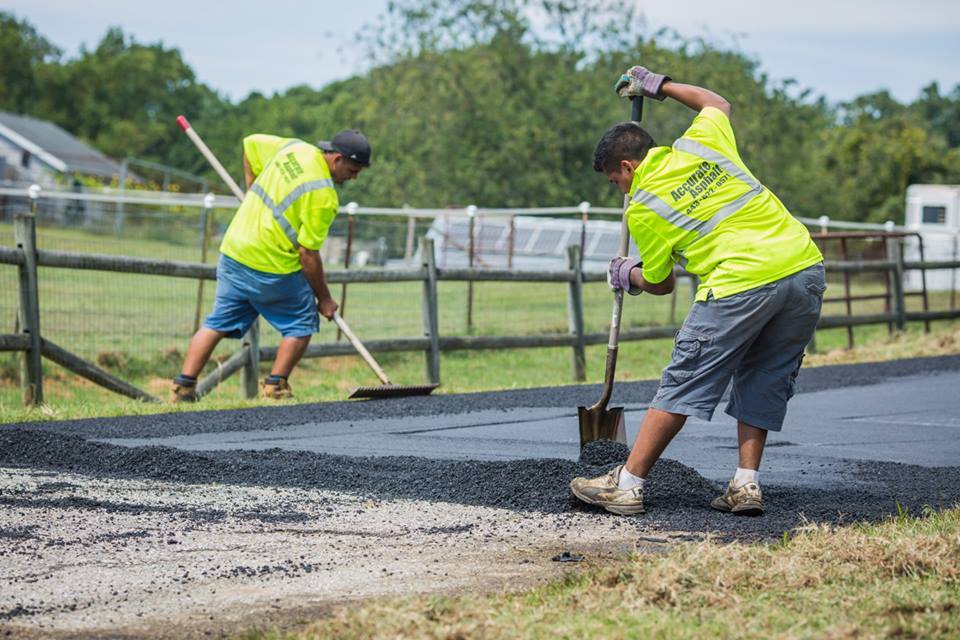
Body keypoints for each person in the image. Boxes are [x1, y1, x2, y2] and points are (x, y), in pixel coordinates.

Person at [570, 66, 825, 516]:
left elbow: (661, 282)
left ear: (628, 166)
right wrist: (659, 85)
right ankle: (746, 485)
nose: (619, 190)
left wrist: (626, 273)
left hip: (740, 281)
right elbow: (717, 104)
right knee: (765, 375)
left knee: (684, 380)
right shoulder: (701, 143)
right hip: (803, 268)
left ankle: (627, 484)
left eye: (615, 181)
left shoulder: (645, 206)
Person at [171, 129, 371, 402]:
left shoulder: (293, 149)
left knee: (216, 323)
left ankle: (183, 388)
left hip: (234, 251)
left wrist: (251, 188)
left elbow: (250, 144)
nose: (355, 177)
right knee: (301, 323)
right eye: (353, 169)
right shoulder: (324, 196)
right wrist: (324, 299)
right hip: (272, 267)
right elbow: (308, 254)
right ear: (337, 159)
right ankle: (275, 386)